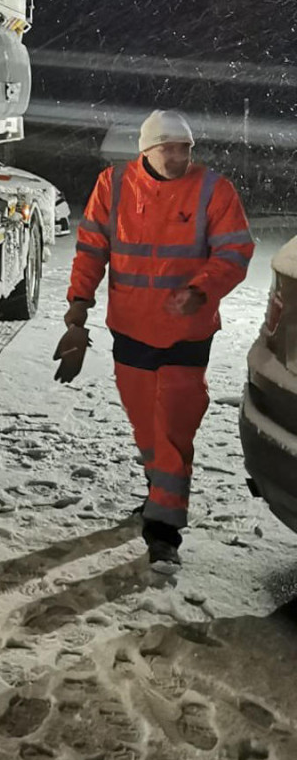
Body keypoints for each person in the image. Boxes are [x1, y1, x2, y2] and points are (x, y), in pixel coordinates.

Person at [55, 110, 253, 568]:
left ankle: (164, 531)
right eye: (169, 148)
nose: (179, 157)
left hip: (188, 333)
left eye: (185, 148)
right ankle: (159, 494)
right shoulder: (115, 185)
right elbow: (91, 249)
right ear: (145, 150)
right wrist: (77, 312)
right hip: (130, 329)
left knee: (174, 427)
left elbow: (235, 251)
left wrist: (200, 290)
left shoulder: (213, 190)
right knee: (148, 427)